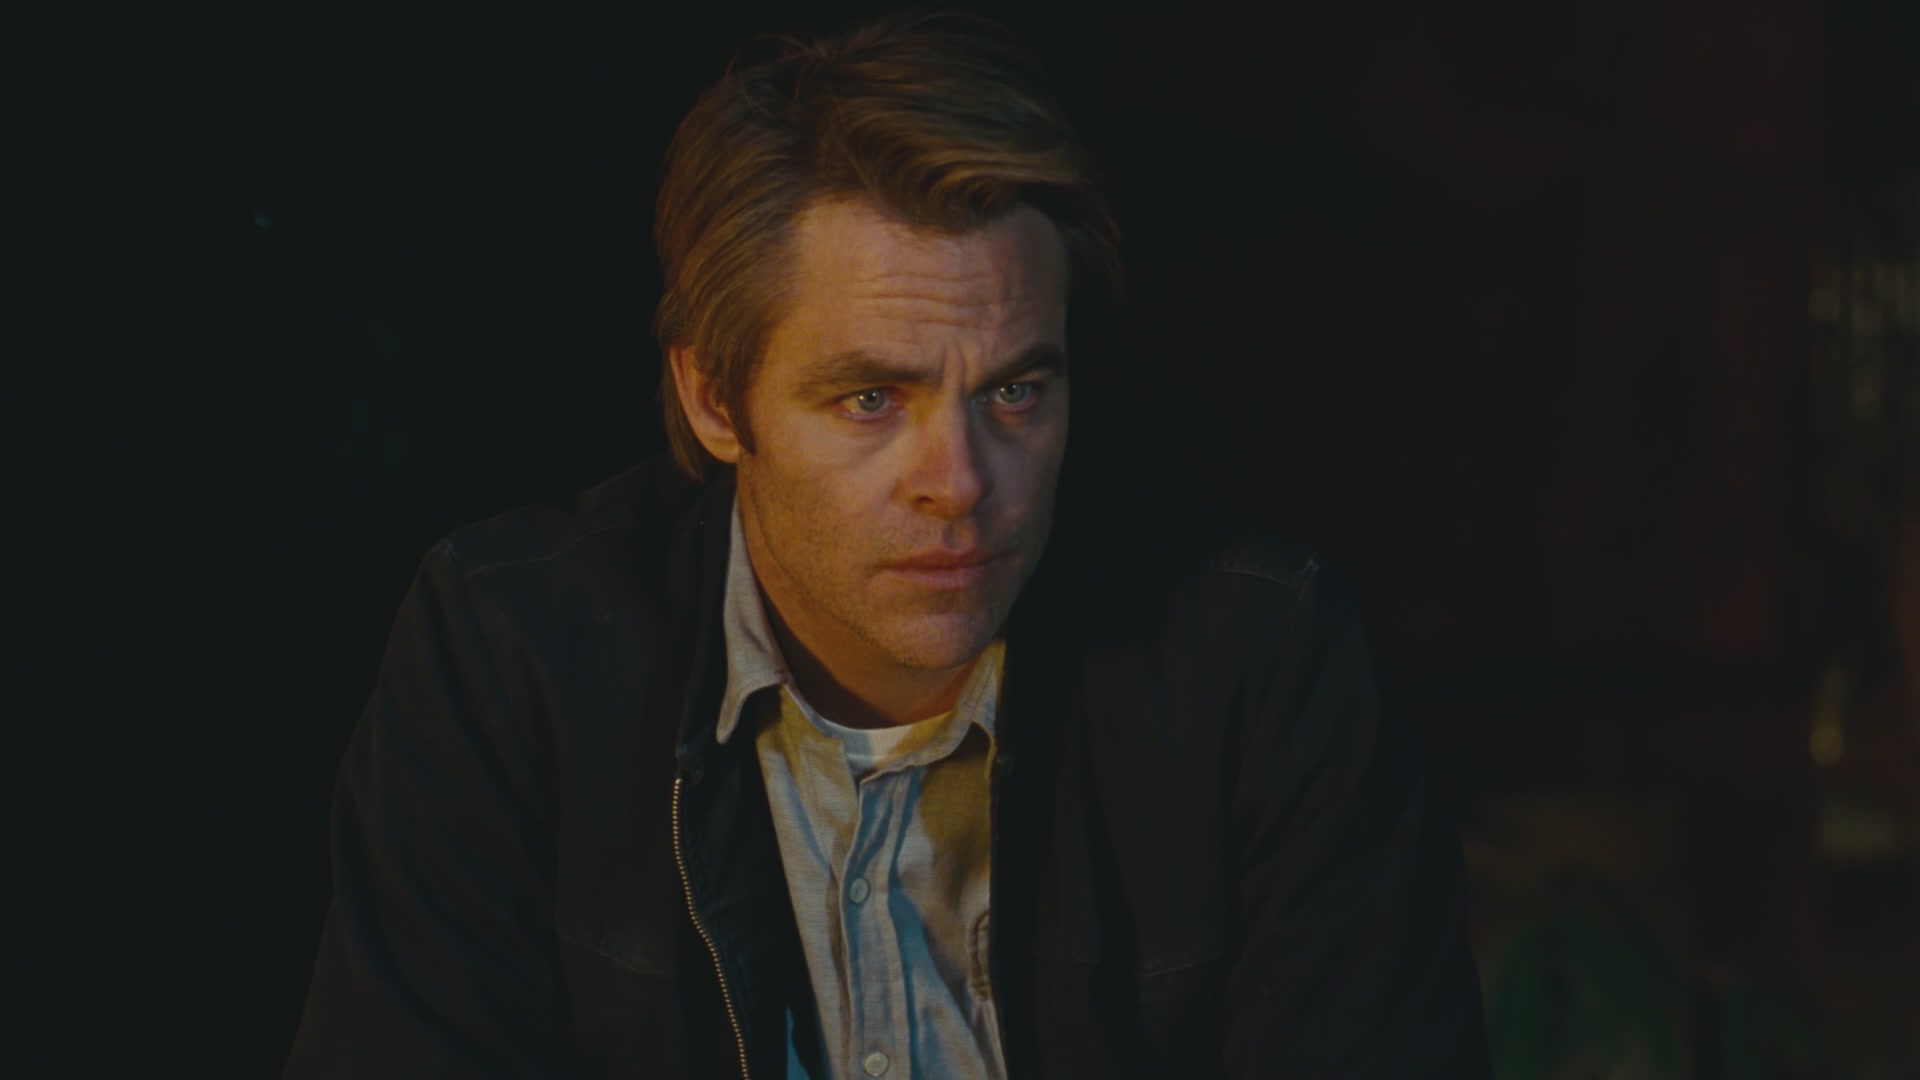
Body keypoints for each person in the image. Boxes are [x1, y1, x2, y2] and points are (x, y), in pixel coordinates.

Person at [283, 10, 1489, 1078]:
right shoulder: (515, 651)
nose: (958, 483)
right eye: (870, 399)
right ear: (714, 400)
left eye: (1015, 392)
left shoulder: (1258, 660)